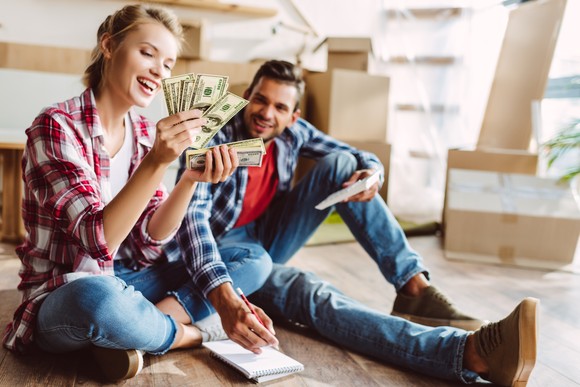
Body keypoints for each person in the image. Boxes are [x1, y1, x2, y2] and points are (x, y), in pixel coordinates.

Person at [164, 59, 539, 386]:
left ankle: (414, 288)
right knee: (311, 292)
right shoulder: (212, 134)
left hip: (269, 236)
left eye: (280, 107)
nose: (267, 113)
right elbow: (192, 222)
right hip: (228, 255)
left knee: (345, 167)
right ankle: (467, 354)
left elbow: (352, 154)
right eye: (260, 100)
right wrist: (224, 294)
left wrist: (373, 173)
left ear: (294, 116)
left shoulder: (292, 134)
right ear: (247, 95)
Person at [1, 4, 274, 382]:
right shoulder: (55, 127)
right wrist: (157, 161)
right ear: (109, 46)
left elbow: (151, 238)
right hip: (64, 294)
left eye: (167, 63)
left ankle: (130, 332)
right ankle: (185, 333)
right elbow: (100, 242)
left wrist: (188, 179)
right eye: (147, 53)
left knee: (253, 258)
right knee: (98, 300)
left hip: (128, 277)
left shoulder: (145, 132)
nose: (158, 71)